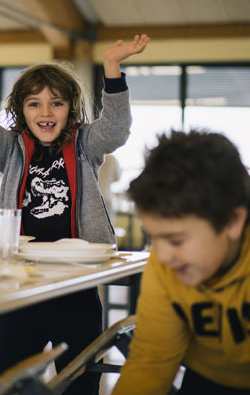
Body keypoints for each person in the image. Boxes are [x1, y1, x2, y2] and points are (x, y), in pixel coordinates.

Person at [0, 33, 149, 394]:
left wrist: (112, 69)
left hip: (76, 283)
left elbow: (115, 128)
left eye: (56, 103)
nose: (46, 113)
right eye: (34, 104)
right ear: (21, 111)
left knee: (80, 378)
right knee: (11, 377)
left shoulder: (85, 144)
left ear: (71, 108)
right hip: (22, 284)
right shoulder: (10, 147)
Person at [113, 130, 250, 395]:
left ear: (232, 222)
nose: (162, 256)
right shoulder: (166, 265)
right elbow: (151, 363)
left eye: (175, 240)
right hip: (206, 380)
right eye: (153, 237)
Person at [98, 153, 121, 223]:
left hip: (93, 196)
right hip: (107, 196)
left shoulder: (91, 156)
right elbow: (117, 177)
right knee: (109, 226)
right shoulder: (111, 158)